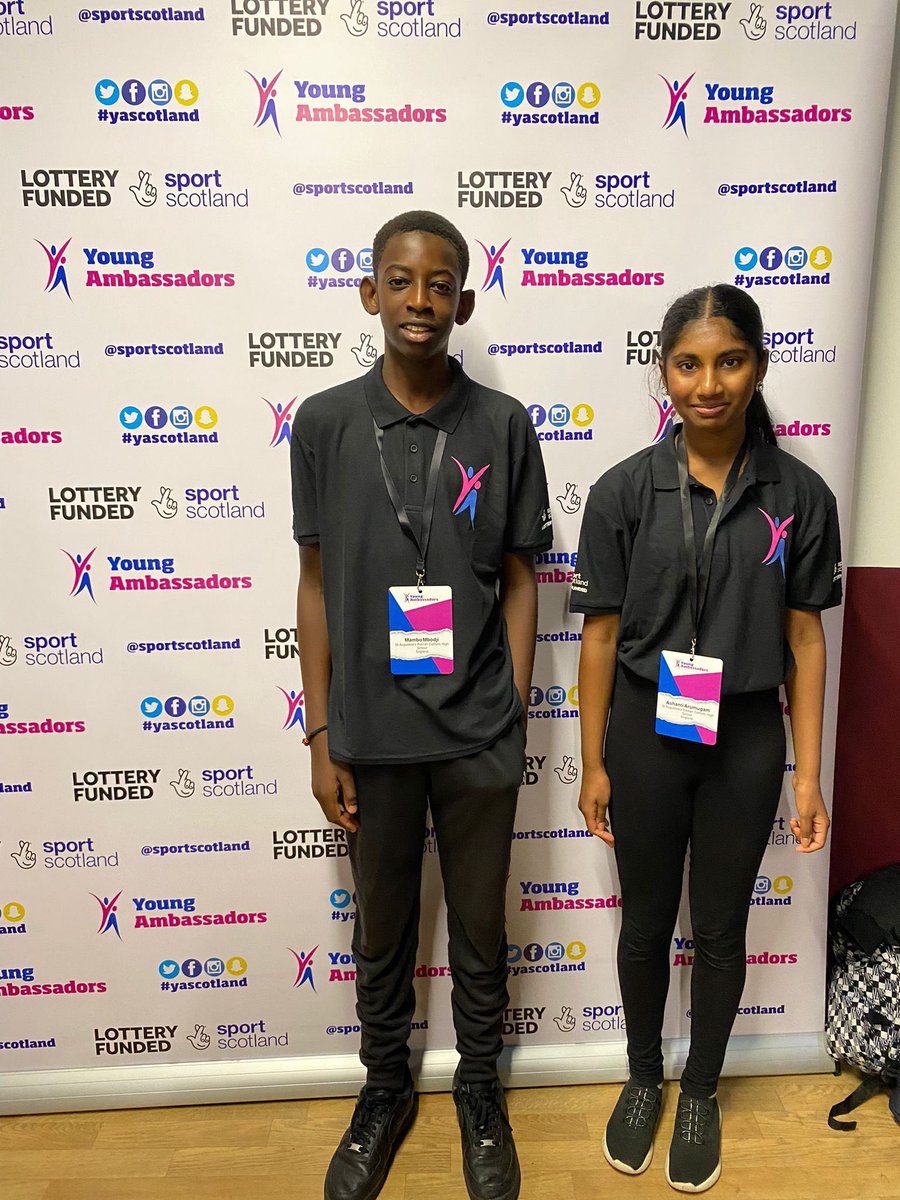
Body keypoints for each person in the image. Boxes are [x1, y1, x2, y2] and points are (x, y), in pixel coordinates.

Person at [291, 210, 552, 1200]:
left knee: (481, 926)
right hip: (372, 736)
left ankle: (479, 1092)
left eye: (439, 284)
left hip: (479, 732)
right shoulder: (322, 423)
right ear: (369, 294)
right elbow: (314, 583)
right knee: (384, 928)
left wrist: (516, 705)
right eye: (399, 281)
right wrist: (321, 733)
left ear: (464, 303)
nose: (419, 300)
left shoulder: (502, 424)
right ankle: (384, 1091)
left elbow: (525, 576)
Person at [570, 283, 842, 1193]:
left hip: (747, 739)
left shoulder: (799, 494)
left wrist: (807, 777)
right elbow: (600, 635)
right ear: (665, 373)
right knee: (645, 925)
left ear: (758, 366)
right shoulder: (623, 491)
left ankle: (699, 1092)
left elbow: (806, 639)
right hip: (648, 732)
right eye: (689, 364)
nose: (709, 383)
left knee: (721, 930)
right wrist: (593, 760)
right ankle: (644, 1079)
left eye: (729, 361)